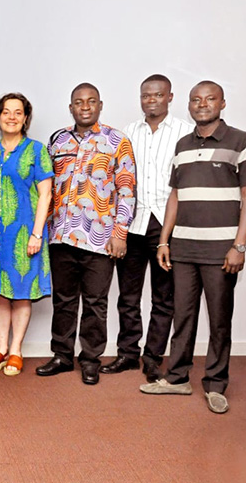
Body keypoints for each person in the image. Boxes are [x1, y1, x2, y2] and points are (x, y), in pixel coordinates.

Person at [140, 81, 246, 414]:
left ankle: (215, 383)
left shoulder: (241, 141)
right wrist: (164, 240)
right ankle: (177, 378)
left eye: (209, 99)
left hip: (221, 251)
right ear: (189, 105)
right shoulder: (181, 145)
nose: (202, 104)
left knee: (220, 320)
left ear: (222, 103)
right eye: (196, 99)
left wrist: (239, 245)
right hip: (183, 248)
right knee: (182, 316)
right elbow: (175, 196)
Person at [36, 83, 136, 386]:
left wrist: (120, 232)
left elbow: (127, 189)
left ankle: (90, 360)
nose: (85, 106)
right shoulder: (57, 140)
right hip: (61, 236)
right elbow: (46, 186)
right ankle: (62, 356)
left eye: (91, 101)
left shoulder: (117, 141)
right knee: (63, 300)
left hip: (100, 237)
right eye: (79, 102)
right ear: (71, 108)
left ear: (100, 105)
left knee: (95, 302)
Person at [102, 75, 193, 382]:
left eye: (157, 95)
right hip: (133, 222)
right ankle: (127, 354)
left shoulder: (186, 132)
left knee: (163, 297)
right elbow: (118, 181)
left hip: (168, 226)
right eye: (145, 95)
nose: (151, 100)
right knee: (128, 296)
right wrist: (118, 228)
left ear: (170, 97)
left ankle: (152, 356)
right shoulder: (127, 133)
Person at [0, 93, 53, 376]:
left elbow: (46, 195)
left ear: (25, 118)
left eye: (17, 112)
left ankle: (16, 350)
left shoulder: (36, 150)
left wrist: (36, 234)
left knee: (21, 292)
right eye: (6, 112)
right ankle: (0, 347)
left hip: (25, 233)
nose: (11, 117)